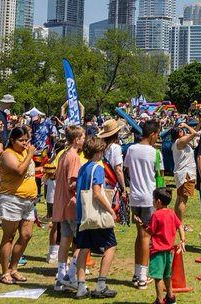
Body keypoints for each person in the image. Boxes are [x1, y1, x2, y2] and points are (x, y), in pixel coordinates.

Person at [74, 136, 118, 299]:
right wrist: (111, 210)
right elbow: (97, 194)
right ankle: (101, 284)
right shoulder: (98, 168)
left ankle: (80, 286)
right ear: (98, 151)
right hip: (95, 215)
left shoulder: (83, 167)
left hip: (82, 214)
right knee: (110, 246)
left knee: (83, 248)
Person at [0, 125, 38, 284]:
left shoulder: (24, 153)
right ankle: (5, 272)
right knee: (9, 236)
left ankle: (13, 268)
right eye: (21, 140)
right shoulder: (8, 154)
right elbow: (19, 170)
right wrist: (30, 154)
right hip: (11, 199)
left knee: (26, 235)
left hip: (28, 200)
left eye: (27, 140)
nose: (25, 143)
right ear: (12, 140)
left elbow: (28, 171)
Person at [125, 120, 161, 289]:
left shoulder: (131, 149)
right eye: (157, 135)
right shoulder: (155, 153)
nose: (158, 138)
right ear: (152, 134)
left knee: (139, 235)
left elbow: (127, 169)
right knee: (146, 237)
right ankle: (142, 276)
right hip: (148, 198)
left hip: (134, 197)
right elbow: (159, 175)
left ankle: (136, 271)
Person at [134, 187, 183, 304]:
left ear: (159, 202)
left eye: (153, 199)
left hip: (158, 252)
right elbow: (180, 225)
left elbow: (151, 231)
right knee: (167, 275)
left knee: (158, 277)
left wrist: (141, 224)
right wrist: (183, 240)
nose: (152, 202)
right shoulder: (171, 213)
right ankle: (170, 297)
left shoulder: (156, 215)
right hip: (169, 251)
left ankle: (159, 300)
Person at [54, 125, 86, 291]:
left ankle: (60, 277)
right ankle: (70, 275)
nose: (85, 140)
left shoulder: (63, 155)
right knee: (81, 241)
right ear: (76, 139)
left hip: (61, 203)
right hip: (71, 203)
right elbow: (71, 183)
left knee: (65, 240)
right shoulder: (74, 157)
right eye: (83, 137)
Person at [171, 121, 198, 222]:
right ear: (179, 133)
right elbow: (194, 133)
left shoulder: (177, 142)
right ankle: (180, 224)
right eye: (182, 130)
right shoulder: (180, 141)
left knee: (180, 198)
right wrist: (186, 125)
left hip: (181, 173)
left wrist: (199, 122)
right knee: (183, 199)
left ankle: (177, 222)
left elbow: (194, 132)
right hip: (186, 174)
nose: (184, 131)